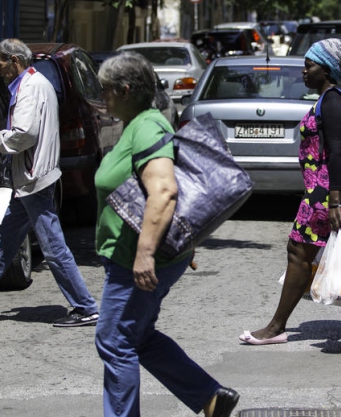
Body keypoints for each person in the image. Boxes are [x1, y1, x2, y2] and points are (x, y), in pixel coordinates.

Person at [94, 52, 239, 417]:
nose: (103, 98)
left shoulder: (146, 126)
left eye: (106, 91)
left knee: (114, 342)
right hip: (146, 254)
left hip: (135, 259)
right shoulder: (140, 123)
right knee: (137, 337)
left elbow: (164, 191)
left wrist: (145, 253)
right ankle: (209, 397)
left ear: (125, 90)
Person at [239, 38, 341, 345]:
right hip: (332, 193)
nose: (304, 71)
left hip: (326, 194)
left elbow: (338, 151)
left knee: (298, 252)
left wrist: (335, 201)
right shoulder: (332, 99)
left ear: (326, 69)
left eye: (309, 66)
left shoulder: (332, 101)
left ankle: (276, 328)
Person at [0, 39, 99, 327]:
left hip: (33, 179)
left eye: (0, 63)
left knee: (54, 248)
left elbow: (24, 133)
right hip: (29, 179)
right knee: (4, 242)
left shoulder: (31, 87)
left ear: (15, 60)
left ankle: (86, 307)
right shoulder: (33, 84)